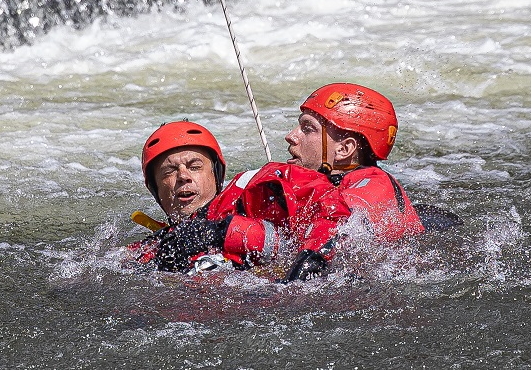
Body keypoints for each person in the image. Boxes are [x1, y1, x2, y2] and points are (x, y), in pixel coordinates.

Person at [128, 121, 347, 275]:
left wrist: (221, 231)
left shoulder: (255, 188)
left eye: (195, 167)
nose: (183, 176)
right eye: (169, 172)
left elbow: (329, 208)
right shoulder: (154, 248)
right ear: (155, 189)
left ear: (216, 176)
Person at [285, 83, 424, 248]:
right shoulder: (329, 182)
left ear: (344, 149)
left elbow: (339, 230)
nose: (291, 136)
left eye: (307, 129)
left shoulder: (374, 187)